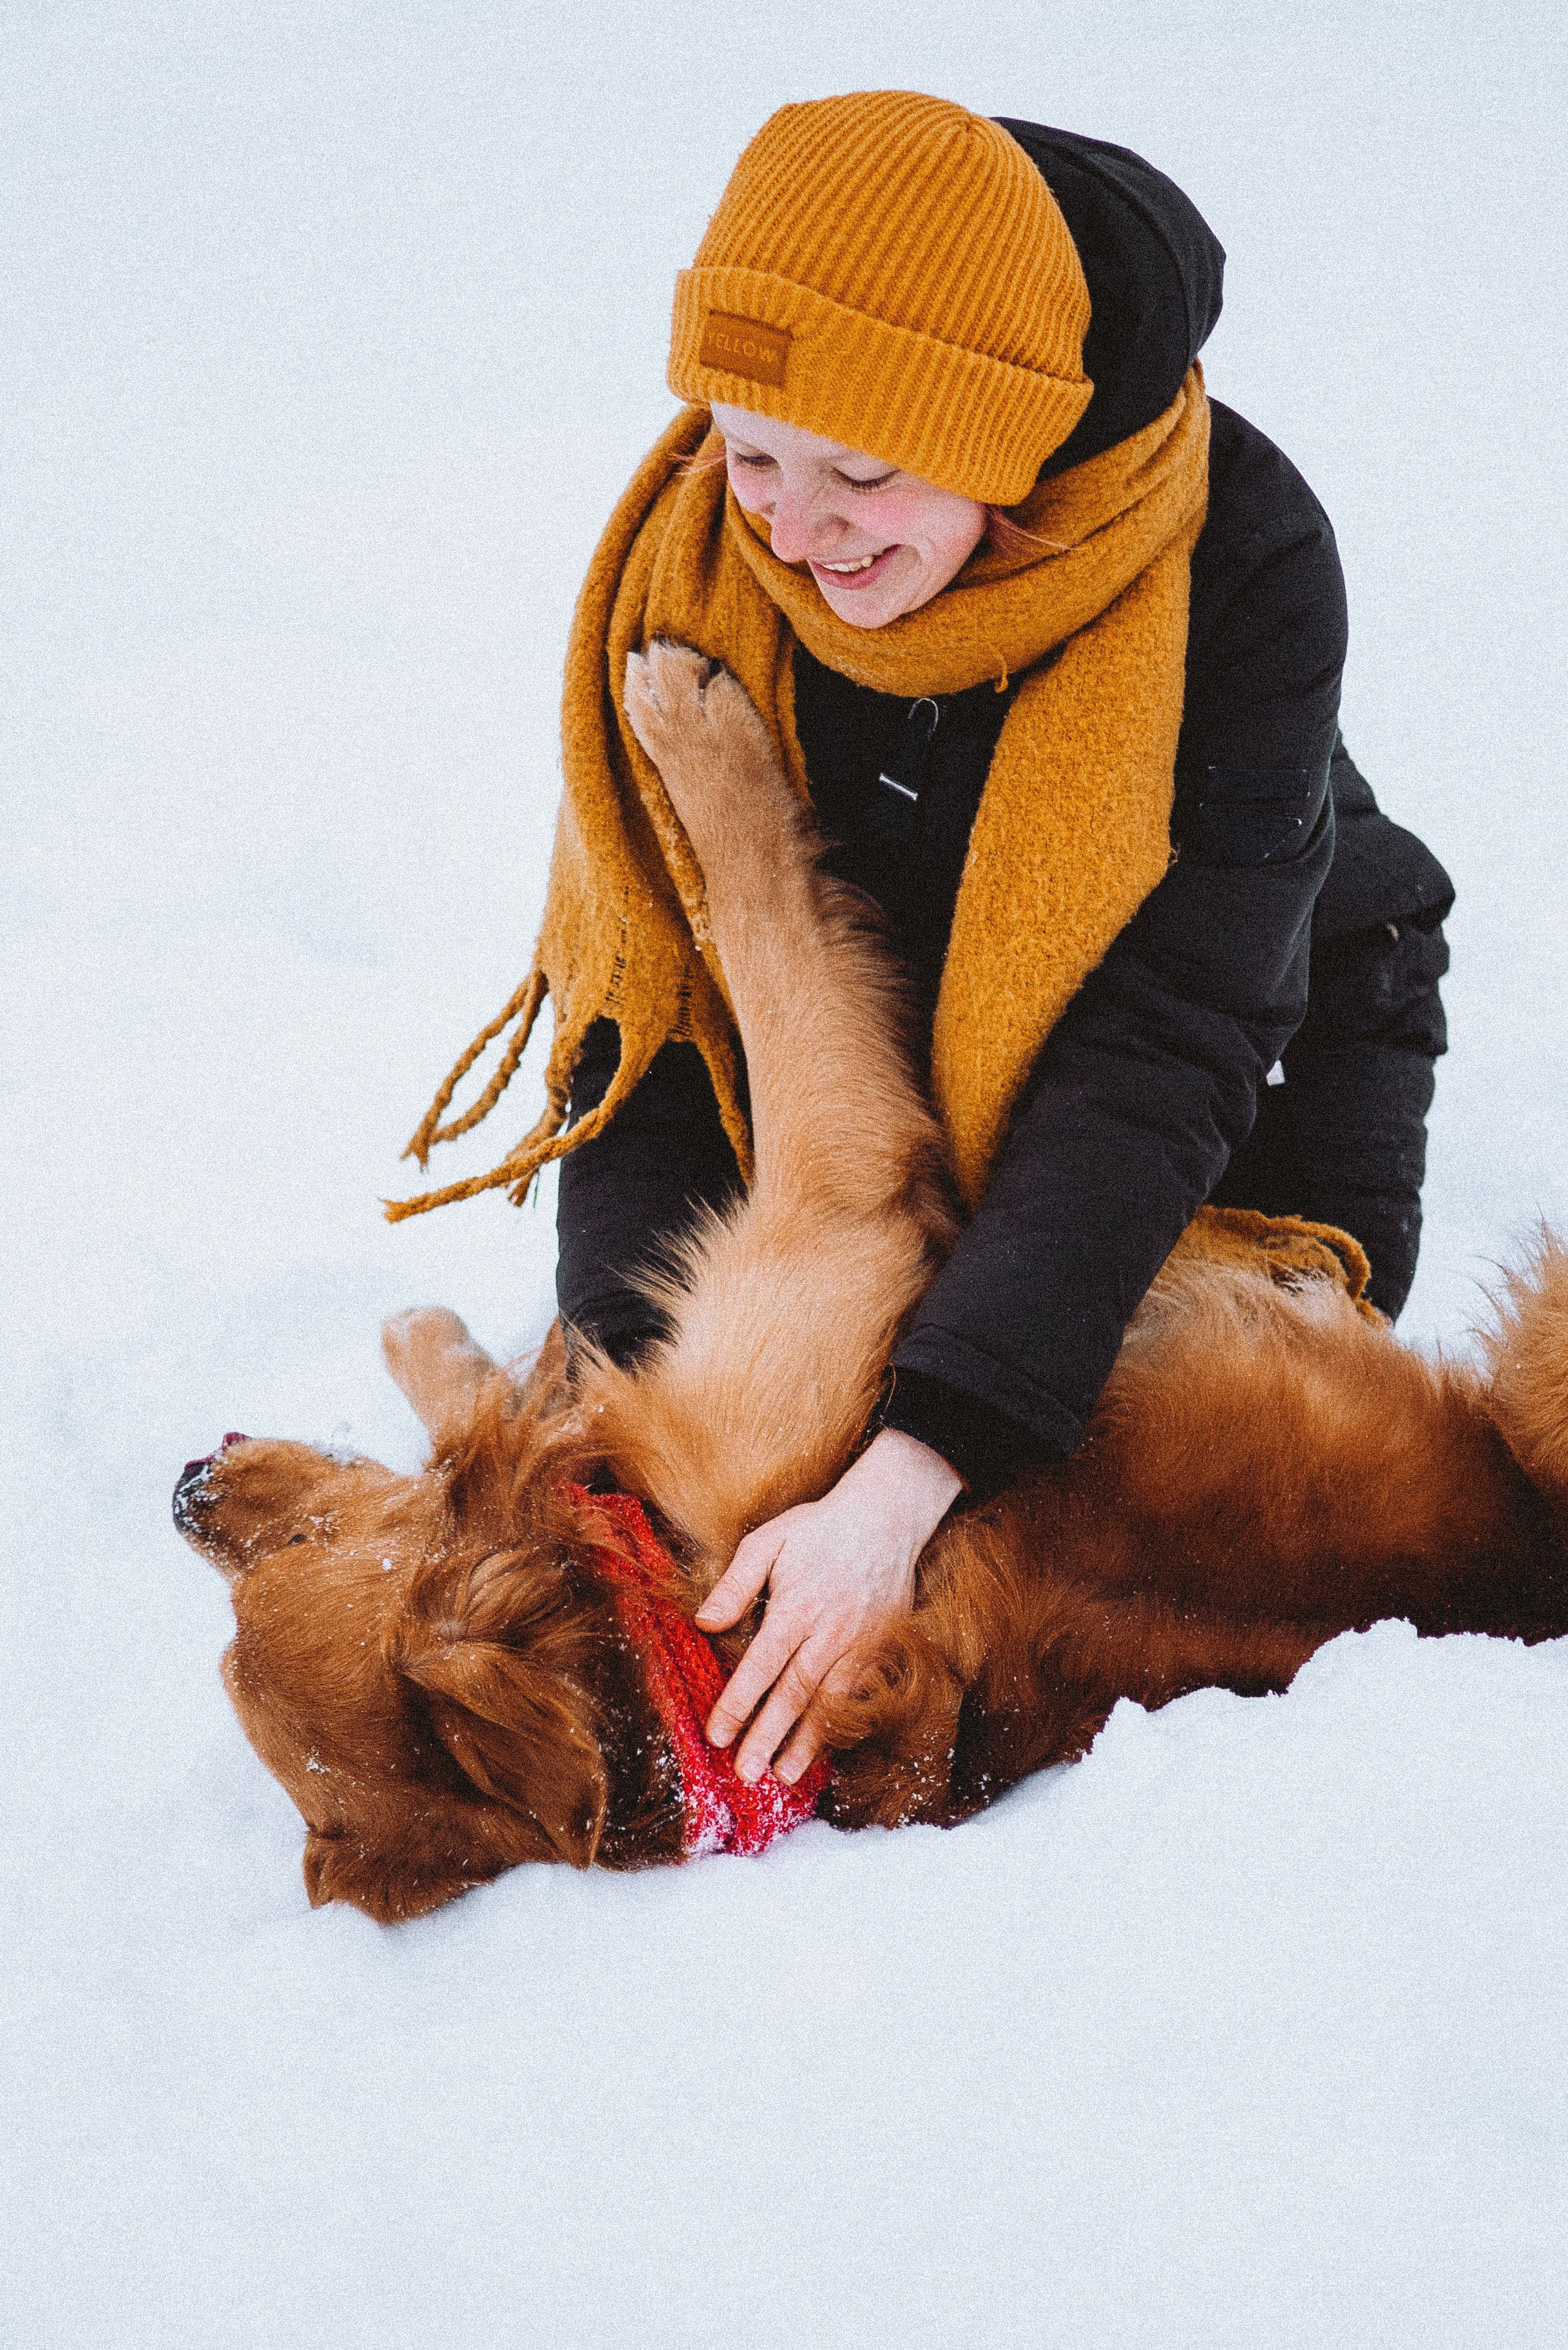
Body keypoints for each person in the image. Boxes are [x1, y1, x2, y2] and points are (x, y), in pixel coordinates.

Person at [395, 93, 1453, 1793]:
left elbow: (1167, 1043)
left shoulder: (1236, 560)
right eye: (749, 452)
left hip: (1251, 1073)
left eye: (862, 474)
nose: (796, 531)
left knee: (1080, 1501)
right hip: (886, 1021)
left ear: (1005, 441)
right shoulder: (693, 564)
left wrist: (913, 1467)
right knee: (750, 1427)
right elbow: (659, 1009)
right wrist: (633, 1398)